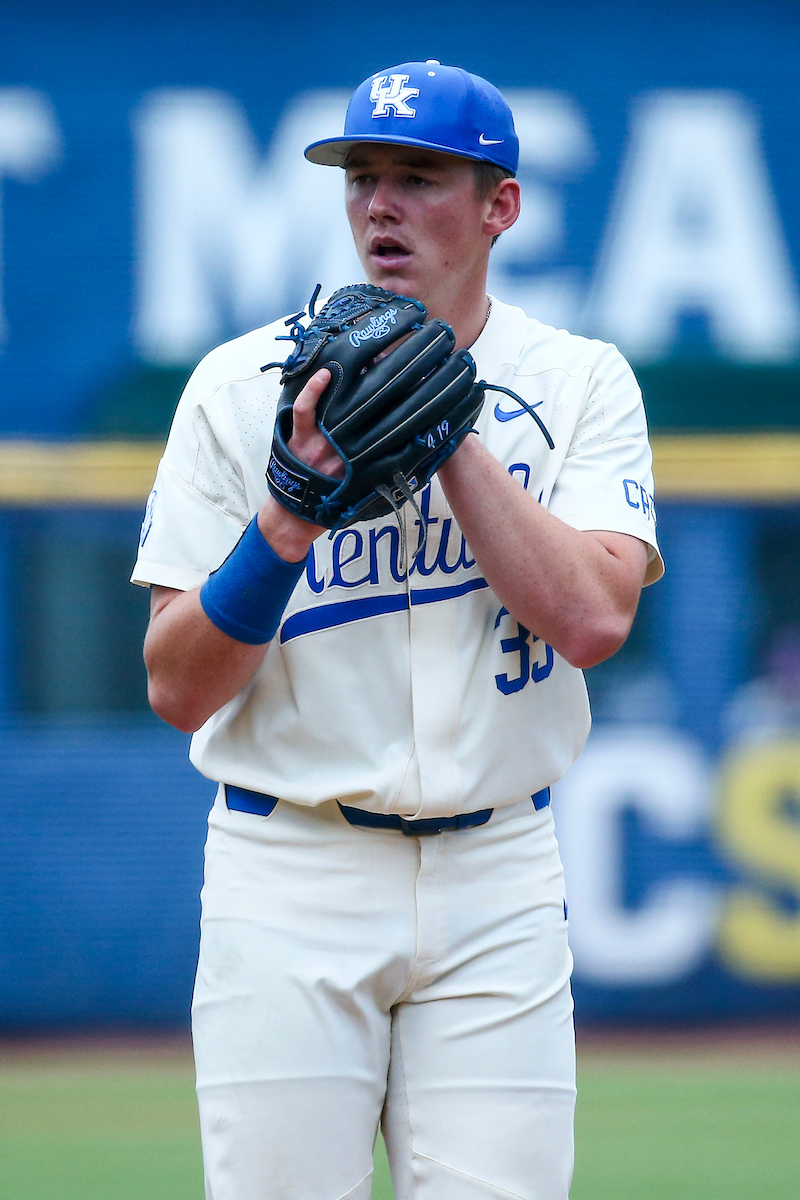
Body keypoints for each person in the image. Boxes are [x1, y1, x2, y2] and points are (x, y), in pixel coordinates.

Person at [133, 60, 663, 1200]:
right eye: (360, 176)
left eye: (419, 178)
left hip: (497, 876)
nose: (379, 204)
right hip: (288, 870)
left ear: (498, 206)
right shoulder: (240, 388)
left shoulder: (577, 384)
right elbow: (177, 689)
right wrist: (282, 522)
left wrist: (444, 423)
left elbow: (591, 618)